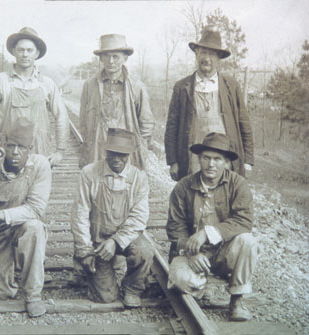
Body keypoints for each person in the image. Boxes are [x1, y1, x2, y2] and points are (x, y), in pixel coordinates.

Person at [166, 132, 258, 321]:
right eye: (206, 158)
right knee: (180, 279)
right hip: (194, 254)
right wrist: (192, 252)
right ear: (199, 159)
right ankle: (199, 288)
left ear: (226, 162)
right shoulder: (183, 187)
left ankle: (237, 300)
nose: (211, 164)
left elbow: (244, 220)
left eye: (217, 159)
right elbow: (175, 228)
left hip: (225, 252)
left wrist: (207, 233)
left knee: (248, 241)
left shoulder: (238, 184)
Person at [0, 117, 51, 318]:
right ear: (3, 145)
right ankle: (4, 263)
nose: (15, 152)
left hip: (22, 227)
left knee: (35, 228)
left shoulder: (40, 166)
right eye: (11, 145)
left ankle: (33, 295)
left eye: (22, 147)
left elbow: (36, 208)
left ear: (30, 148)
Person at [71, 128, 154, 307]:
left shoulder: (139, 178)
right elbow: (80, 214)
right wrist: (84, 250)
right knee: (105, 297)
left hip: (124, 240)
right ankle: (87, 270)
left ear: (129, 155)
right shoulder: (89, 173)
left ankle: (132, 288)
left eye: (122, 155)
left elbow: (139, 217)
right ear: (106, 151)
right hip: (98, 242)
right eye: (113, 153)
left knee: (145, 250)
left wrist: (116, 242)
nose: (117, 159)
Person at [164, 27, 254, 181]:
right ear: (196, 54)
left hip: (224, 159)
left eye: (212, 54)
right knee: (193, 200)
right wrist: (173, 161)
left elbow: (244, 123)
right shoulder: (182, 87)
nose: (206, 58)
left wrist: (248, 161)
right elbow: (172, 126)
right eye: (203, 53)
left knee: (224, 199)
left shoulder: (231, 86)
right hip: (192, 159)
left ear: (219, 59)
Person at [0, 27, 68, 167]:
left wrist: (60, 150)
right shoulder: (0, 81)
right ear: (13, 52)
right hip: (8, 153)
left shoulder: (46, 84)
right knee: (6, 187)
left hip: (39, 153)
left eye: (29, 50)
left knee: (37, 187)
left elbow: (62, 116)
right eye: (21, 50)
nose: (25, 54)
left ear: (37, 53)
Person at [79, 34, 154, 170]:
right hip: (98, 149)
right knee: (98, 186)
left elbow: (146, 123)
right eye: (107, 56)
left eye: (116, 57)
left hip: (126, 154)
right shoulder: (90, 85)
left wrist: (140, 147)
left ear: (125, 58)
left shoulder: (137, 86)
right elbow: (83, 121)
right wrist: (88, 145)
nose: (111, 61)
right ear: (101, 58)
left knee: (125, 188)